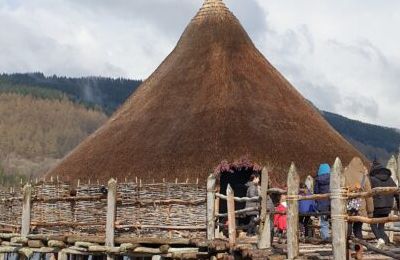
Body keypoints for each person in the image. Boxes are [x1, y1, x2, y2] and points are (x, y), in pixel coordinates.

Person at [369, 160, 400, 248]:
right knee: (381, 226)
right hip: (387, 207)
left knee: (372, 223)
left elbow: (367, 193)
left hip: (376, 206)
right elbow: (397, 192)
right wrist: (398, 206)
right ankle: (386, 241)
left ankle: (380, 239)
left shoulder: (372, 179)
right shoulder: (390, 179)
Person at [344, 157, 374, 239]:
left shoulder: (343, 175)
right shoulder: (364, 177)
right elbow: (369, 196)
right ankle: (359, 249)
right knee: (358, 229)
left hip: (347, 206)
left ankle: (346, 248)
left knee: (347, 228)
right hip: (360, 207)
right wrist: (370, 211)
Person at [314, 163, 331, 241]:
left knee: (324, 222)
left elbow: (316, 192)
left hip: (322, 203)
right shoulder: (333, 178)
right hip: (332, 203)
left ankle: (325, 238)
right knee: (335, 220)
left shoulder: (317, 180)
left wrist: (317, 202)